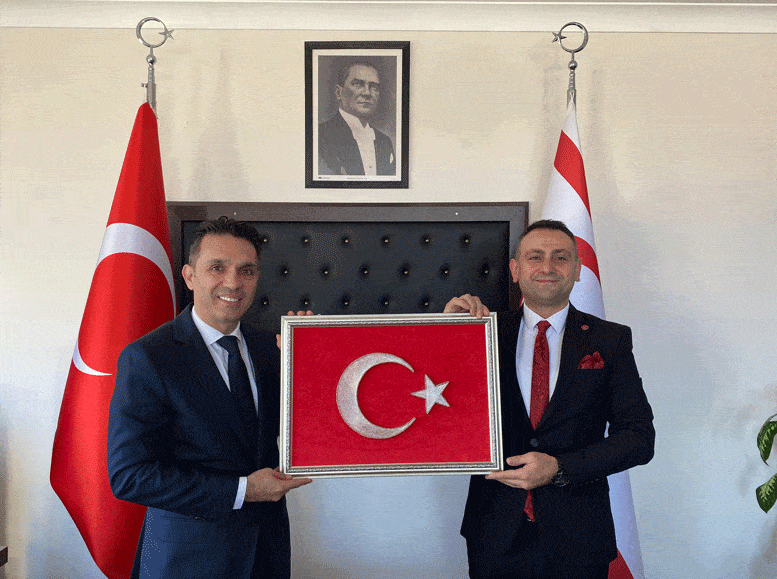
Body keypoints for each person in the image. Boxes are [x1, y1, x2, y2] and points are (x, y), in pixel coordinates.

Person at [445, 219, 655, 579]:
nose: (547, 267)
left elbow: (638, 439)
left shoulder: (610, 340)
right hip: (494, 532)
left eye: (560, 257)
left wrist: (559, 468)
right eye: (535, 257)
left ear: (577, 269)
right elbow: (442, 414)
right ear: (515, 270)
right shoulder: (480, 334)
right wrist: (445, 336)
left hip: (580, 535)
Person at [108, 217, 312, 579]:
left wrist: (314, 362)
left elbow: (310, 428)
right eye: (217, 267)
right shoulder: (149, 357)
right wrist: (244, 490)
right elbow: (130, 476)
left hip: (266, 555)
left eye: (246, 271)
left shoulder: (273, 348)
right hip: (186, 559)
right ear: (189, 276)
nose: (233, 283)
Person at [318, 60, 396, 176]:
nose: (367, 93)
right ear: (338, 92)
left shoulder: (384, 142)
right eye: (358, 84)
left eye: (374, 86)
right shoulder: (320, 135)